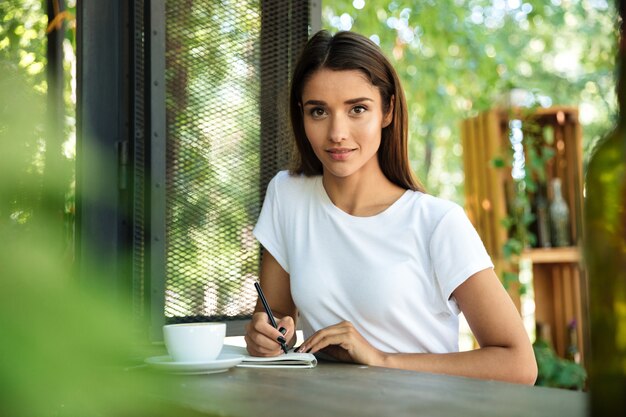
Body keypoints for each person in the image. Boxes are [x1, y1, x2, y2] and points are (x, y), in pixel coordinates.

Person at [244, 30, 537, 385]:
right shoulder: (287, 195)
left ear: (388, 110)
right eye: (318, 111)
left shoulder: (437, 222)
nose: (337, 132)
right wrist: (266, 335)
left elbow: (519, 364)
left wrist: (380, 359)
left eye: (357, 109)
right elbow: (274, 315)